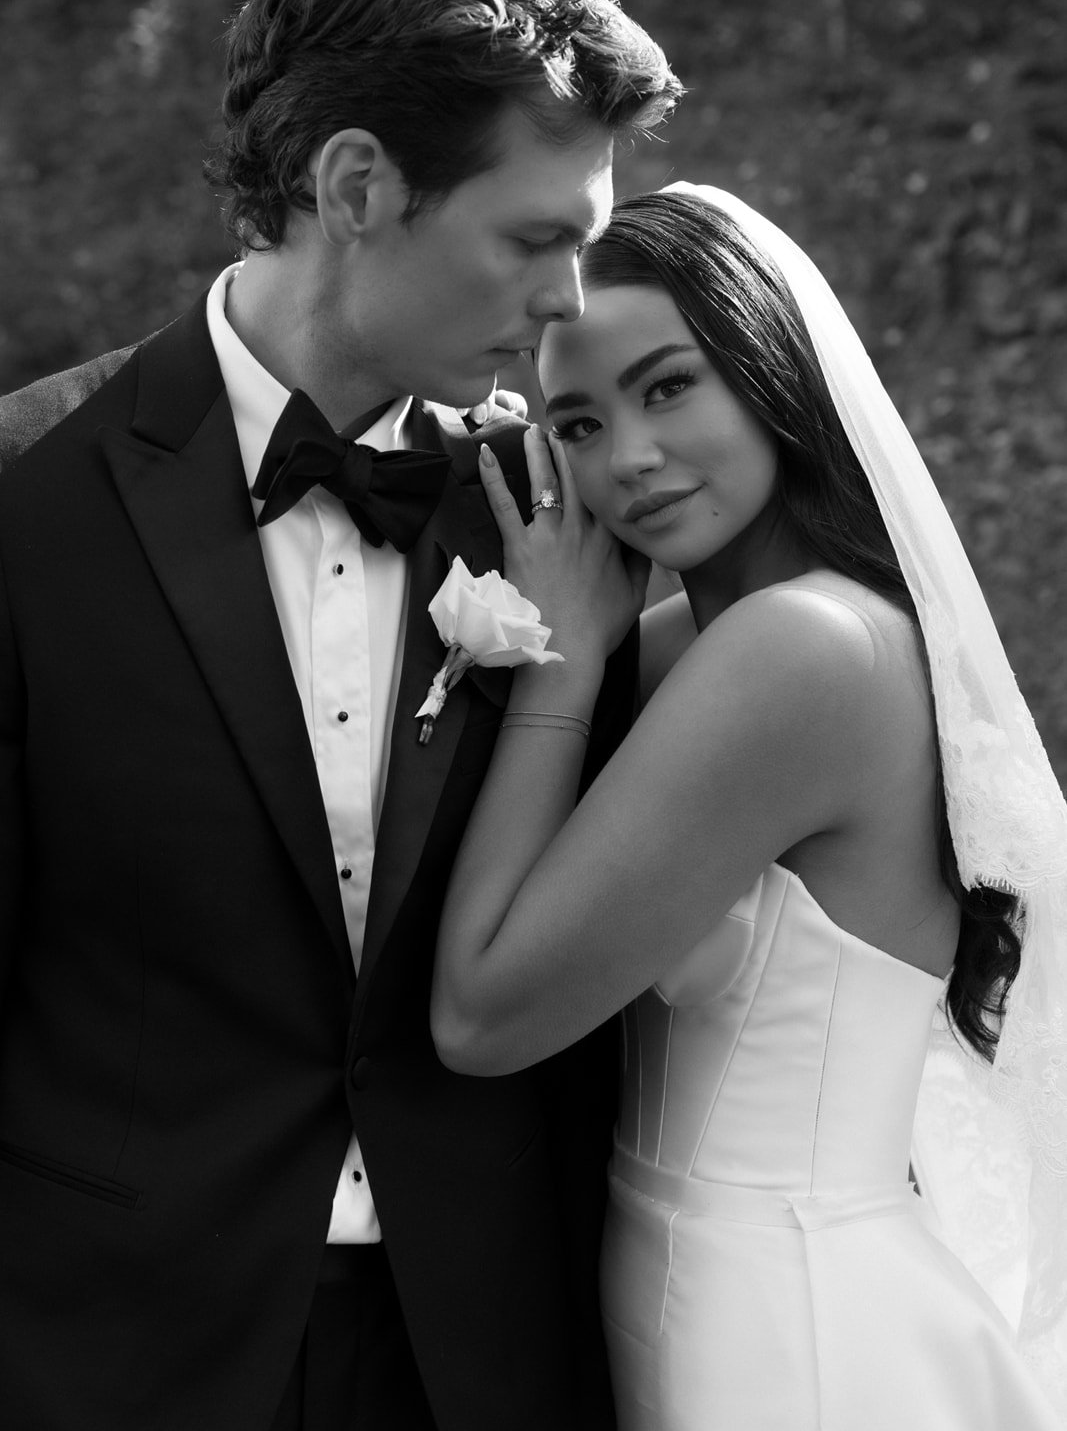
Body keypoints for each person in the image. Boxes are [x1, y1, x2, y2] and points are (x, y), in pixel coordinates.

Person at [0, 0, 681, 1431]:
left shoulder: (569, 511)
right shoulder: (23, 501)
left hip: (486, 1359)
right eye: (532, 239)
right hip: (107, 1358)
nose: (565, 304)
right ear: (359, 183)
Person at [430, 184, 1067, 1429]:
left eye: (668, 387)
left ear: (768, 371)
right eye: (578, 420)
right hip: (691, 1295)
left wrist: (556, 665)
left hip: (793, 1327)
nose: (628, 460)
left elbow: (481, 1012)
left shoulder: (806, 649)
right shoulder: (688, 643)